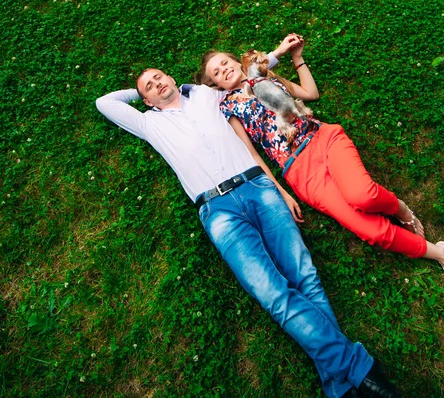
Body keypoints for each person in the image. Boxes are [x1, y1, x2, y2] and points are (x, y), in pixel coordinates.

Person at [95, 43, 401, 398]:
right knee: (273, 294)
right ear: (145, 100)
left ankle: (340, 386)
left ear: (172, 76)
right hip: (218, 211)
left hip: (257, 187)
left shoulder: (209, 96)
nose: (157, 84)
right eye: (150, 86)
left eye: (159, 77)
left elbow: (247, 71)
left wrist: (280, 53)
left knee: (304, 275)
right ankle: (357, 370)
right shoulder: (148, 124)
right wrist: (139, 90)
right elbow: (106, 104)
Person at [198, 35, 444, 295]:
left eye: (225, 63)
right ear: (216, 86)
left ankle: (400, 208)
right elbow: (254, 157)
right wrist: (283, 193)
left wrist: (297, 57)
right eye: (216, 73)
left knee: (364, 196)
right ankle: (442, 254)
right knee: (371, 231)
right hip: (298, 171)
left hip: (322, 139)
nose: (224, 70)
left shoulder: (265, 77)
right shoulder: (229, 108)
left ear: (237, 61)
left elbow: (310, 94)